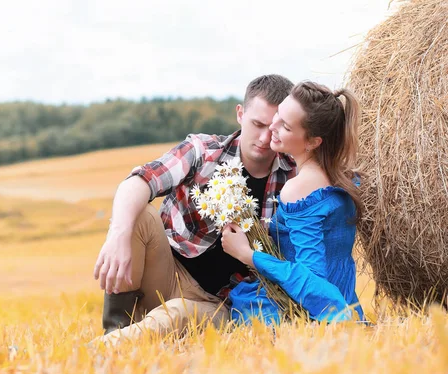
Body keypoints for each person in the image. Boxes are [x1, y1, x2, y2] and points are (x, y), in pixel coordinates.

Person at [92, 74, 296, 343]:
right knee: (138, 214)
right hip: (168, 273)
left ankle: (101, 349)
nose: (263, 137)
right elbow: (140, 181)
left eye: (273, 128)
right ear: (240, 114)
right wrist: (118, 234)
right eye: (257, 124)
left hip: (223, 303)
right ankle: (114, 328)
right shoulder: (203, 150)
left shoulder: (293, 178)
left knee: (176, 314)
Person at [221, 81, 366, 325]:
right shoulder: (342, 176)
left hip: (308, 312)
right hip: (346, 299)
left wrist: (248, 255)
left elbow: (311, 279)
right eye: (278, 114)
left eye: (285, 126)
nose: (272, 129)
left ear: (312, 141)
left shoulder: (299, 189)